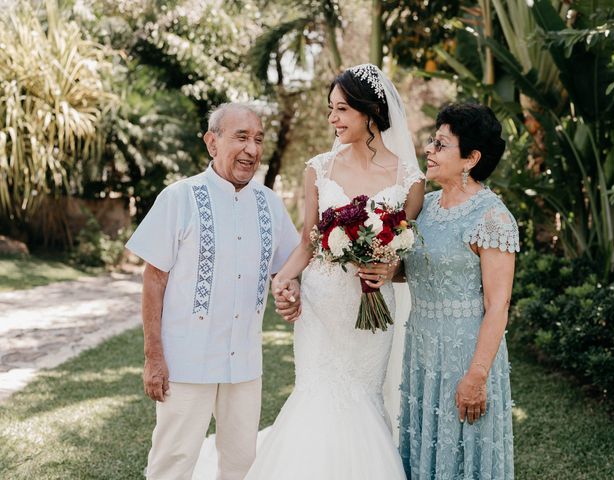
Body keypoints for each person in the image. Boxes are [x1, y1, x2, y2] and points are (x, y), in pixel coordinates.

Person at [242, 64, 424, 480]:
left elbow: (403, 251)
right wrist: (283, 279)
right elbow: (308, 239)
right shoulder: (318, 169)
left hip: (372, 309)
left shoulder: (410, 179)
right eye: (330, 109)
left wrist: (387, 263)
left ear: (370, 112)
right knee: (315, 394)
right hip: (321, 305)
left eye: (341, 109)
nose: (332, 119)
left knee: (362, 395)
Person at [125, 103, 300, 480]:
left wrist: (290, 290)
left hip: (245, 363)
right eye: (241, 137)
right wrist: (153, 356)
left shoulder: (270, 205)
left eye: (258, 139)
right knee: (172, 461)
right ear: (212, 142)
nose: (252, 149)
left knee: (241, 463)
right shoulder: (179, 198)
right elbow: (153, 279)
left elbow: (288, 269)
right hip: (187, 361)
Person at [399, 102, 519, 479]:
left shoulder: (493, 217)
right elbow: (415, 268)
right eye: (431, 142)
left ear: (471, 158)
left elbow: (498, 305)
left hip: (466, 356)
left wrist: (477, 376)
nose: (429, 151)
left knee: (463, 453)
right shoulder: (425, 206)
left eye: (440, 145)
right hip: (422, 351)